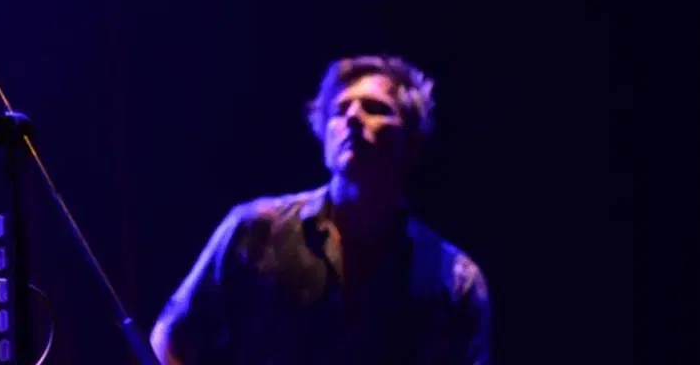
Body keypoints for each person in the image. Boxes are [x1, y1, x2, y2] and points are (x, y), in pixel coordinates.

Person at [150, 55, 492, 364]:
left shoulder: (454, 279)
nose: (353, 117)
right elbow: (173, 337)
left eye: (376, 108)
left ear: (412, 139)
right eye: (339, 110)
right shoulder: (256, 230)